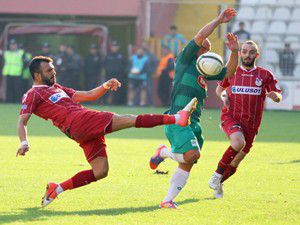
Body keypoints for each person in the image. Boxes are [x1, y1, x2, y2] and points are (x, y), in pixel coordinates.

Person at [16, 56, 197, 207]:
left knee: (100, 171)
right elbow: (22, 120)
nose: (53, 72)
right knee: (129, 120)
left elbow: (88, 95)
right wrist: (24, 142)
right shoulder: (33, 94)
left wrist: (105, 86)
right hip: (80, 122)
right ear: (37, 75)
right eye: (49, 70)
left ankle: (57, 188)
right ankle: (176, 118)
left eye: (53, 68)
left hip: (81, 128)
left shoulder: (56, 87)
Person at [149, 8, 239, 209]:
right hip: (177, 118)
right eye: (203, 44)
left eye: (207, 46)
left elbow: (229, 72)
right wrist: (218, 20)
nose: (205, 43)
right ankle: (163, 152)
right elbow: (200, 35)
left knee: (188, 161)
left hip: (194, 122)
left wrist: (234, 51)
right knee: (192, 154)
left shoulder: (206, 70)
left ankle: (167, 200)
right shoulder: (184, 60)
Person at [208, 40, 282, 199]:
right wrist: (224, 97)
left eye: (251, 52)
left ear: (257, 55)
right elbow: (219, 90)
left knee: (234, 163)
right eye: (244, 51)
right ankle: (216, 175)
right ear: (240, 53)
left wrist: (276, 97)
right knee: (238, 142)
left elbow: (278, 95)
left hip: (251, 125)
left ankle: (220, 181)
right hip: (231, 116)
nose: (247, 55)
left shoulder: (265, 75)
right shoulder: (233, 72)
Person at [104, 40, 127, 105]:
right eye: (113, 46)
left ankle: (117, 104)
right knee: (107, 90)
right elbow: (104, 65)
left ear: (118, 48)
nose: (114, 48)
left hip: (118, 77)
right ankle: (107, 103)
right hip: (109, 76)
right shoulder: (107, 56)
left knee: (117, 91)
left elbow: (125, 66)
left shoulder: (121, 56)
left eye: (115, 46)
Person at [141, 41, 158, 106]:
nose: (144, 47)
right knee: (140, 90)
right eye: (143, 45)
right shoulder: (140, 54)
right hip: (140, 75)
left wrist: (151, 71)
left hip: (148, 75)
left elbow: (155, 64)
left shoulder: (151, 55)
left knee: (149, 89)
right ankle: (140, 103)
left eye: (145, 45)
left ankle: (150, 103)